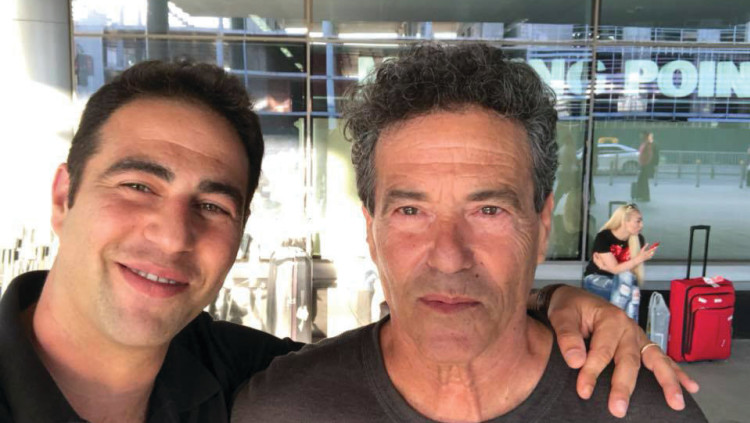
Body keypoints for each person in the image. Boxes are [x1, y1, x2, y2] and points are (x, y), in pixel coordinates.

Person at [0, 60, 692, 423]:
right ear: (63, 197)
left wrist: (560, 302)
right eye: (137, 185)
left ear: (542, 225)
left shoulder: (250, 382)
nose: (172, 232)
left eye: (212, 204)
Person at [232, 43, 705, 422]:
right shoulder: (279, 410)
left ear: (542, 226)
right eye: (411, 210)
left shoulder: (648, 410)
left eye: (489, 210)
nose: (448, 256)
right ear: (371, 232)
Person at [583, 204, 656, 321]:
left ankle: (627, 326)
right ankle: (620, 324)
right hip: (596, 279)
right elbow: (616, 269)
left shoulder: (638, 240)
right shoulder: (604, 237)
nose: (641, 225)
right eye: (638, 221)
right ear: (624, 221)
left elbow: (629, 272)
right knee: (628, 290)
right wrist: (638, 259)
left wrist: (605, 267)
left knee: (631, 288)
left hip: (622, 281)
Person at [634, 132, 658, 201]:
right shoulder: (644, 143)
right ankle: (641, 196)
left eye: (642, 135)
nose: (640, 136)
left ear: (645, 136)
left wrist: (646, 163)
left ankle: (645, 196)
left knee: (644, 181)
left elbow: (650, 154)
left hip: (645, 165)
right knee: (642, 181)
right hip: (643, 164)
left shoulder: (648, 144)